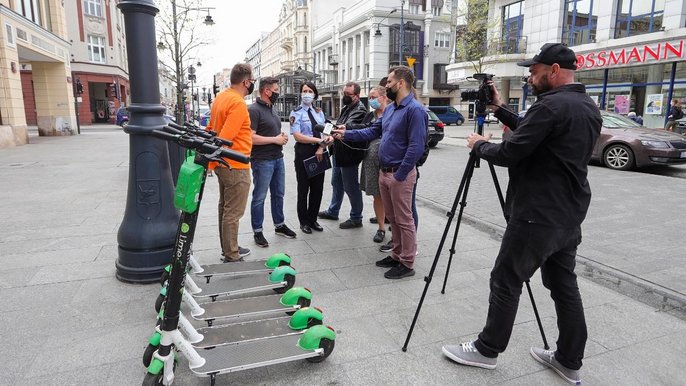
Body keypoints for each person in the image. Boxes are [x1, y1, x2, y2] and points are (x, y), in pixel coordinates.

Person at [440, 43, 602, 385]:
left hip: (536, 214)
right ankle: (569, 359)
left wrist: (478, 145)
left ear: (554, 70)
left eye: (534, 70)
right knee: (563, 285)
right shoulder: (586, 105)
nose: (529, 76)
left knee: (506, 278)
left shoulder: (551, 106)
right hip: (569, 213)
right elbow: (535, 133)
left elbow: (512, 151)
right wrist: (499, 108)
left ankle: (487, 350)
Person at [332, 66, 427, 279]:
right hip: (385, 173)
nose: (387, 86)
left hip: (399, 175)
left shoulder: (415, 110)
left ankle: (407, 262)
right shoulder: (392, 108)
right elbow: (374, 130)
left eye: (390, 83)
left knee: (404, 220)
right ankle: (396, 255)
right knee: (393, 218)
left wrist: (400, 175)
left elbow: (416, 147)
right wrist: (346, 133)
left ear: (401, 83)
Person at [207, 63, 255, 262]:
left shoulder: (221, 97)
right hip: (236, 164)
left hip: (222, 164)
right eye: (251, 81)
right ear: (245, 81)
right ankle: (231, 255)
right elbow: (225, 138)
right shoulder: (238, 103)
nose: (252, 84)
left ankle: (229, 247)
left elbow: (211, 128)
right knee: (233, 212)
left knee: (225, 208)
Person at [247, 76, 297, 248]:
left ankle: (279, 225)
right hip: (262, 161)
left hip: (278, 159)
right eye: (276, 90)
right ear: (266, 91)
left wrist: (280, 138)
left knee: (278, 194)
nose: (278, 92)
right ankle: (258, 231)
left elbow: (272, 134)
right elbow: (250, 137)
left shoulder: (272, 109)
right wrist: (274, 140)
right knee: (259, 197)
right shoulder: (253, 110)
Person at [318, 82, 368, 229]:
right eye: (344, 93)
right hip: (339, 152)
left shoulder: (360, 109)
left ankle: (356, 217)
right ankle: (333, 211)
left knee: (351, 186)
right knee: (336, 183)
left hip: (349, 154)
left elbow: (347, 126)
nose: (345, 96)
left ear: (357, 96)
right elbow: (339, 125)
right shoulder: (347, 107)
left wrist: (334, 130)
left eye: (348, 94)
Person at [346, 85, 389, 243]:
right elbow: (363, 131)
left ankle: (394, 225)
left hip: (389, 163)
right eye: (369, 97)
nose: (371, 100)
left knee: (393, 197)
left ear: (384, 97)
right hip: (371, 162)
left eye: (374, 97)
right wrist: (346, 133)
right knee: (377, 195)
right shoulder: (369, 116)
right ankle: (381, 227)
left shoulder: (392, 114)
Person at [290, 82, 332, 234]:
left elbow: (326, 131)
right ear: (301, 94)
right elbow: (297, 135)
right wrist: (317, 141)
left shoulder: (319, 112)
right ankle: (304, 222)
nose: (307, 93)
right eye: (304, 91)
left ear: (314, 94)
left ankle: (313, 219)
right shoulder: (296, 112)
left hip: (319, 152)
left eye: (310, 91)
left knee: (317, 188)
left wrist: (322, 146)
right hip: (304, 151)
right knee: (303, 189)